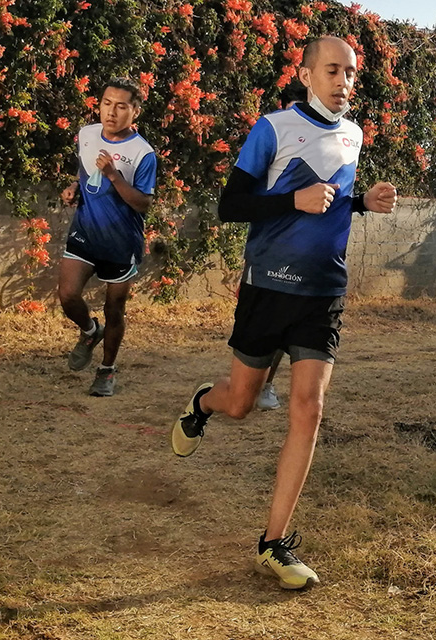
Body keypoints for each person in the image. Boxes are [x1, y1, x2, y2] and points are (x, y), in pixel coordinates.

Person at [171, 36, 398, 589]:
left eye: (350, 74)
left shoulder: (355, 135)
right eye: (332, 71)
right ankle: (204, 403)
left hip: (324, 292)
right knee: (242, 404)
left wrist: (360, 201)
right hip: (267, 287)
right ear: (305, 74)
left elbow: (332, 197)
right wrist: (291, 201)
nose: (344, 82)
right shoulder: (272, 128)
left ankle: (273, 544)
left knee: (309, 408)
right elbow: (232, 205)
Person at [58, 78, 156, 397]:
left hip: (120, 242)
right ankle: (89, 331)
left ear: (135, 111)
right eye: (106, 103)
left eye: (121, 106)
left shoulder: (143, 153)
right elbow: (84, 172)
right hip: (86, 231)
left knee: (115, 309)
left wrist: (113, 175)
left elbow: (143, 203)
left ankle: (107, 370)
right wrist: (74, 189)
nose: (111, 112)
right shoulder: (87, 134)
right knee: (68, 295)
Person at [255, 84, 309, 412]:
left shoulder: (332, 149)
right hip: (272, 250)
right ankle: (260, 383)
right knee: (271, 324)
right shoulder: (270, 144)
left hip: (311, 255)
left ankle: (268, 384)